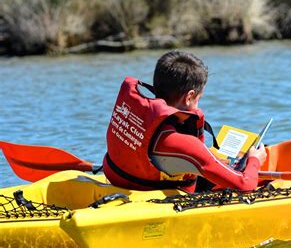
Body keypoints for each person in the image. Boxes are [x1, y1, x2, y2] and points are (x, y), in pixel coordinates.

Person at [102, 51, 267, 192]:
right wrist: (255, 160)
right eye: (198, 98)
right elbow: (246, 186)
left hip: (123, 181)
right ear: (189, 97)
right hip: (151, 200)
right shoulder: (181, 143)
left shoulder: (135, 115)